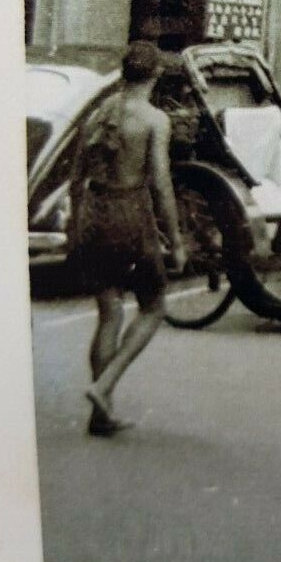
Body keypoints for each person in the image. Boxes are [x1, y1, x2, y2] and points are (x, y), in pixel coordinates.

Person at [68, 41, 186, 437]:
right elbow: (161, 184)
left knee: (109, 313)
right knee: (153, 306)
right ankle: (104, 387)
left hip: (93, 211)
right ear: (155, 76)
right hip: (128, 213)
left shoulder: (99, 115)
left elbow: (74, 179)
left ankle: (101, 418)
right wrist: (176, 239)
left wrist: (75, 227)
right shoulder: (154, 120)